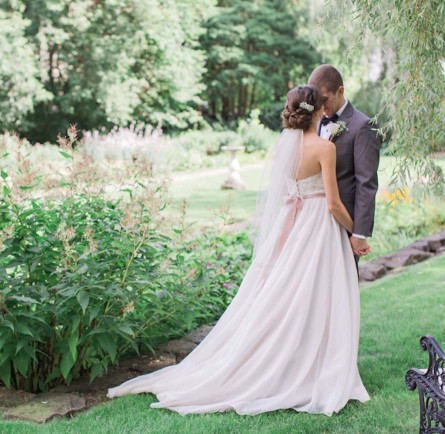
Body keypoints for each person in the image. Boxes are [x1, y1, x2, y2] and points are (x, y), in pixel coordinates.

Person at [106, 84, 370, 417]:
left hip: (292, 226)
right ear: (319, 109)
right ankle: (312, 366)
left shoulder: (284, 147)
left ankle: (292, 362)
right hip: (317, 228)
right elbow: (333, 202)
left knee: (285, 295)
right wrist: (353, 229)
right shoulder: (324, 148)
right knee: (316, 296)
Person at [308, 65, 381, 265]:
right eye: (316, 101)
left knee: (343, 287)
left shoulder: (363, 126)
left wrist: (359, 232)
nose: (321, 107)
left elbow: (366, 182)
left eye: (325, 99)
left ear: (340, 91)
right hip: (312, 221)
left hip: (344, 222)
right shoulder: (311, 123)